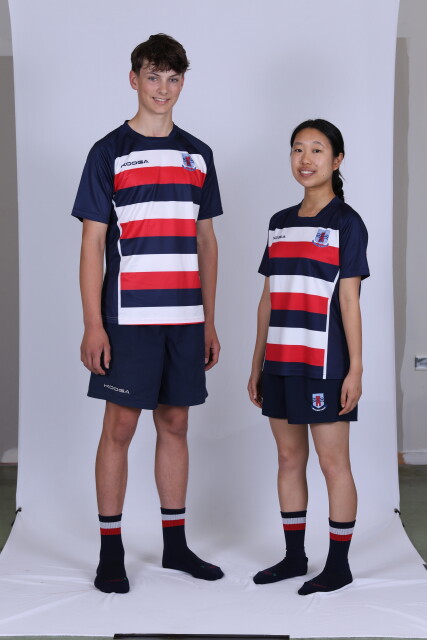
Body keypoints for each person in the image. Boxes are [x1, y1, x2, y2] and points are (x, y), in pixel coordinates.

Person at [71, 34, 224, 593]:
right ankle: (110, 551)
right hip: (127, 318)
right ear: (133, 79)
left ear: (183, 82)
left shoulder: (198, 154)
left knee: (176, 423)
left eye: (173, 78)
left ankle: (175, 546)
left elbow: (206, 242)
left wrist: (209, 320)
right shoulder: (108, 151)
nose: (163, 88)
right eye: (153, 76)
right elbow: (92, 243)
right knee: (119, 427)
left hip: (184, 318)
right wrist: (93, 323)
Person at [248, 119, 369, 595]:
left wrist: (355, 368)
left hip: (324, 365)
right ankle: (294, 557)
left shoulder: (347, 223)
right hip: (280, 361)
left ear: (337, 160)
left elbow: (349, 301)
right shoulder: (279, 222)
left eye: (317, 150)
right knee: (287, 458)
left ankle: (338, 565)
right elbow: (268, 297)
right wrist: (256, 362)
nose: (306, 159)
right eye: (298, 149)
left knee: (333, 463)